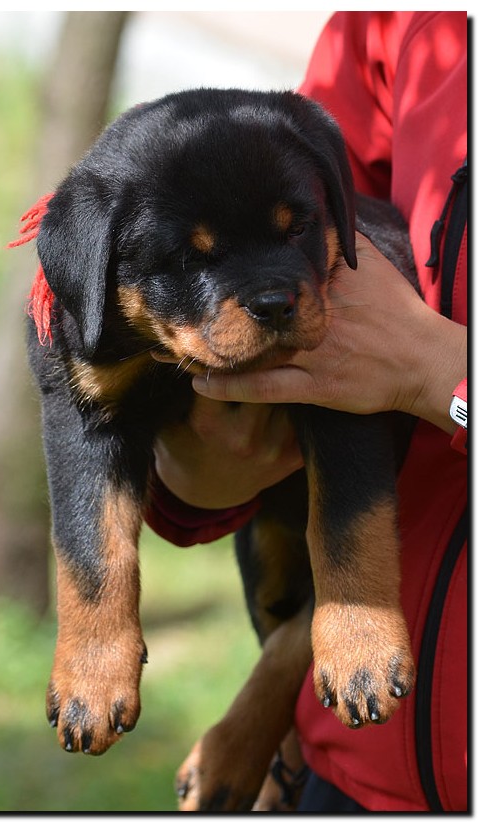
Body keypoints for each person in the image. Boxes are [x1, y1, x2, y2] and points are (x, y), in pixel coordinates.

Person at [146, 11, 467, 812]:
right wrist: (190, 478)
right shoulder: (406, 19)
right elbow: (277, 232)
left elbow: (396, 357)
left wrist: (439, 374)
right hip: (351, 756)